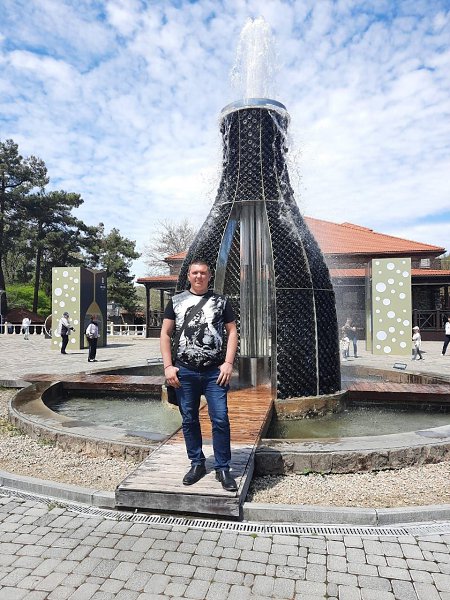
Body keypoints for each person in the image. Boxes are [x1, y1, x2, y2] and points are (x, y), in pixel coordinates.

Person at [160, 260, 239, 492]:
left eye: (203, 273)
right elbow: (165, 334)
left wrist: (228, 363)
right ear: (189, 276)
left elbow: (232, 331)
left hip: (215, 371)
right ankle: (197, 463)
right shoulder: (176, 301)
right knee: (189, 419)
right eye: (195, 272)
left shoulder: (221, 301)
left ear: (209, 276)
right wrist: (168, 366)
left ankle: (223, 467)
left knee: (220, 418)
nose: (199, 276)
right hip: (184, 370)